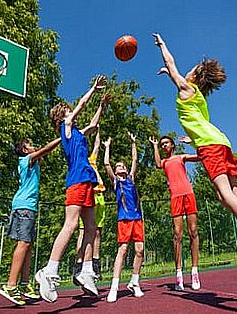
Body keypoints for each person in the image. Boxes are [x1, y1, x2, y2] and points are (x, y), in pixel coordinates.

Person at [152, 33, 237, 288]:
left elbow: (173, 66)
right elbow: (198, 121)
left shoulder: (186, 89)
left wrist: (163, 47)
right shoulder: (199, 98)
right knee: (235, 196)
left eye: (192, 69)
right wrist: (193, 141)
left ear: (194, 77)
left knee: (225, 195)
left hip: (210, 147)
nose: (187, 70)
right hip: (221, 142)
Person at [35, 75, 110, 302]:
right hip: (76, 180)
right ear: (62, 116)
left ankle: (86, 270)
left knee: (90, 227)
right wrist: (93, 90)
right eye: (68, 110)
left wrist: (102, 106)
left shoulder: (77, 132)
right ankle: (49, 271)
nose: (73, 111)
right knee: (70, 225)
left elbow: (93, 124)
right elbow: (81, 105)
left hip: (88, 181)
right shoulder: (65, 128)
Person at [0, 137, 61, 305]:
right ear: (25, 150)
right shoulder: (27, 159)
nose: (34, 147)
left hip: (28, 207)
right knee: (23, 243)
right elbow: (46, 149)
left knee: (28, 245)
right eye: (30, 145)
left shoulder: (31, 162)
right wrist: (63, 135)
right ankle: (11, 285)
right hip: (24, 207)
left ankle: (25, 285)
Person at [149, 135, 201, 291]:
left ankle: (194, 272)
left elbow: (200, 156)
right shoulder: (164, 162)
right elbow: (158, 164)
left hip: (188, 194)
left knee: (193, 232)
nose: (164, 146)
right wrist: (154, 145)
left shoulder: (181, 157)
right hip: (175, 197)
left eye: (166, 143)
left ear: (172, 145)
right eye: (162, 144)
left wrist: (191, 142)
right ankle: (179, 274)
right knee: (177, 235)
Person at [103, 132, 145, 303]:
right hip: (124, 219)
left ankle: (134, 282)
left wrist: (133, 143)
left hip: (137, 218)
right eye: (118, 166)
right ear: (115, 170)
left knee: (140, 250)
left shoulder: (131, 179)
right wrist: (107, 147)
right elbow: (106, 163)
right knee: (122, 250)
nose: (121, 167)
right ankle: (114, 287)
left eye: (122, 165)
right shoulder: (116, 182)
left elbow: (135, 160)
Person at [73, 127, 107, 282]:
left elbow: (97, 146)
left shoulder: (91, 160)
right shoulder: (79, 161)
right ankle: (78, 265)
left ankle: (95, 264)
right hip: (88, 196)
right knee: (82, 231)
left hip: (99, 198)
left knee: (97, 232)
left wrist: (98, 131)